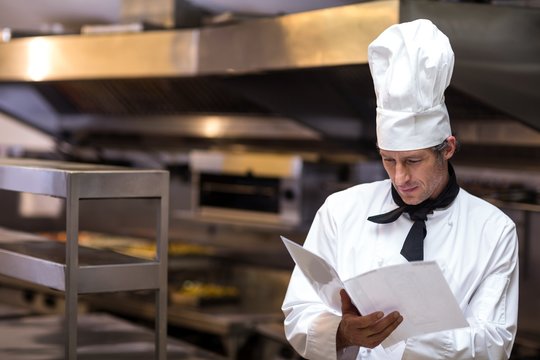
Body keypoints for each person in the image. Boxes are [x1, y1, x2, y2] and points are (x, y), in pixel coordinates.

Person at [281, 19, 519, 360]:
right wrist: (341, 331)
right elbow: (298, 312)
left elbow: (494, 342)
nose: (399, 176)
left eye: (413, 160)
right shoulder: (341, 210)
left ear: (447, 148)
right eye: (388, 160)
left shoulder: (493, 230)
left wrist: (410, 334)